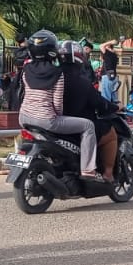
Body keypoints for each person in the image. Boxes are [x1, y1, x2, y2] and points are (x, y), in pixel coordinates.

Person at [18, 30, 99, 179]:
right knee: (88, 126)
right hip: (46, 120)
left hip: (24, 118)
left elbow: (23, 94)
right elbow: (57, 104)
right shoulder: (57, 73)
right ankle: (87, 170)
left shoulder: (26, 70)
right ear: (52, 51)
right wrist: (59, 119)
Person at [60, 41, 117, 182]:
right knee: (110, 134)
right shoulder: (81, 81)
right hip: (76, 125)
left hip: (52, 122)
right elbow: (99, 103)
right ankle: (108, 174)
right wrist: (115, 107)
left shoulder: (51, 76)